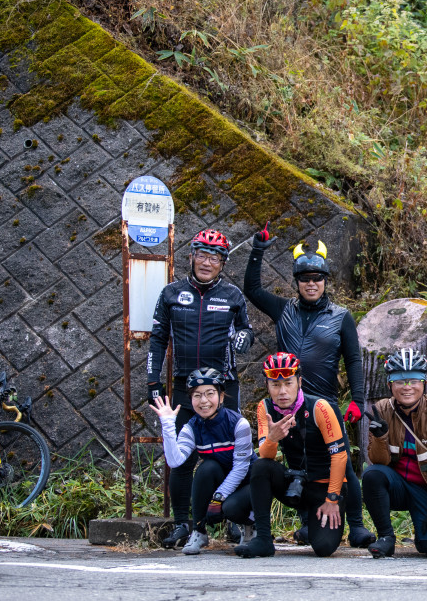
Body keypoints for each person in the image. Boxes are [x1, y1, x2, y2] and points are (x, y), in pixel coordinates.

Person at [244, 227, 375, 549]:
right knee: (297, 463)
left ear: (326, 280)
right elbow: (252, 289)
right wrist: (258, 249)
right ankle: (306, 522)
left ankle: (356, 525)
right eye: (305, 278)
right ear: (297, 282)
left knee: (341, 462)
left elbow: (354, 360)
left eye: (317, 278)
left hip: (324, 405)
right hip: (289, 404)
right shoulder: (282, 310)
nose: (311, 283)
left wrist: (357, 399)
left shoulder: (340, 316)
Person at [148, 228, 253, 549]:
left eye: (215, 257)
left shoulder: (233, 296)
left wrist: (242, 339)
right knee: (180, 460)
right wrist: (153, 381)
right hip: (184, 387)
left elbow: (247, 333)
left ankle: (233, 521)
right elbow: (157, 339)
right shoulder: (170, 293)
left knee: (230, 457)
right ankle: (184, 523)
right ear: (191, 256)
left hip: (224, 387)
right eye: (202, 255)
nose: (208, 262)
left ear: (223, 263)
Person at [234, 352, 349, 558]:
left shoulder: (319, 407)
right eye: (275, 385)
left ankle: (314, 524)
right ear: (267, 385)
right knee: (261, 466)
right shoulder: (265, 408)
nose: (283, 391)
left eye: (288, 383)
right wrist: (273, 438)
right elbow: (265, 455)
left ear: (299, 382)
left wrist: (332, 499)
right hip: (294, 483)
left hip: (324, 488)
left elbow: (339, 456)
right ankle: (263, 540)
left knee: (323, 548)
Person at [362, 349, 427, 559]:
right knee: (372, 475)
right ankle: (386, 538)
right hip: (397, 485)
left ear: (424, 383)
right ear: (390, 384)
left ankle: (425, 526)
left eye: (414, 380)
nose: (407, 387)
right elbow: (378, 462)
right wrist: (380, 436)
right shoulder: (381, 409)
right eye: (399, 380)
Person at [150, 368, 254, 553]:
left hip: (246, 482)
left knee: (236, 500)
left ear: (221, 397)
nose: (204, 401)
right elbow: (175, 461)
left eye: (210, 394)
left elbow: (240, 468)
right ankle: (199, 532)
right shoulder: (192, 427)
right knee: (206, 468)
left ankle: (250, 528)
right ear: (190, 400)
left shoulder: (239, 424)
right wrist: (167, 424)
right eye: (197, 395)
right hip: (221, 479)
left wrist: (218, 498)